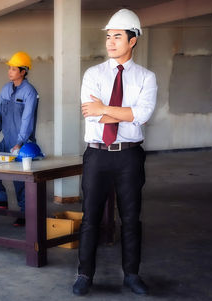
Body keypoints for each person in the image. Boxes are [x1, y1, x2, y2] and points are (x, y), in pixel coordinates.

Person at [72, 9, 157, 296]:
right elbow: (91, 115)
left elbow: (143, 115)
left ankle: (132, 275)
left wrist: (106, 109)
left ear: (132, 40)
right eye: (108, 36)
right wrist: (123, 114)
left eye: (117, 36)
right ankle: (84, 274)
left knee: (131, 218)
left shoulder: (146, 77)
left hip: (129, 156)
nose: (110, 42)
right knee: (90, 217)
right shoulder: (93, 74)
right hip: (97, 155)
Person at [0, 51, 39, 226]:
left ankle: (25, 215)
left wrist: (19, 143)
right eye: (9, 68)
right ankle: (1, 199)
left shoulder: (30, 93)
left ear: (23, 71)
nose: (9, 71)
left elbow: (27, 120)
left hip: (23, 143)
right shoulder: (5, 89)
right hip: (6, 140)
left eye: (13, 68)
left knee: (20, 181)